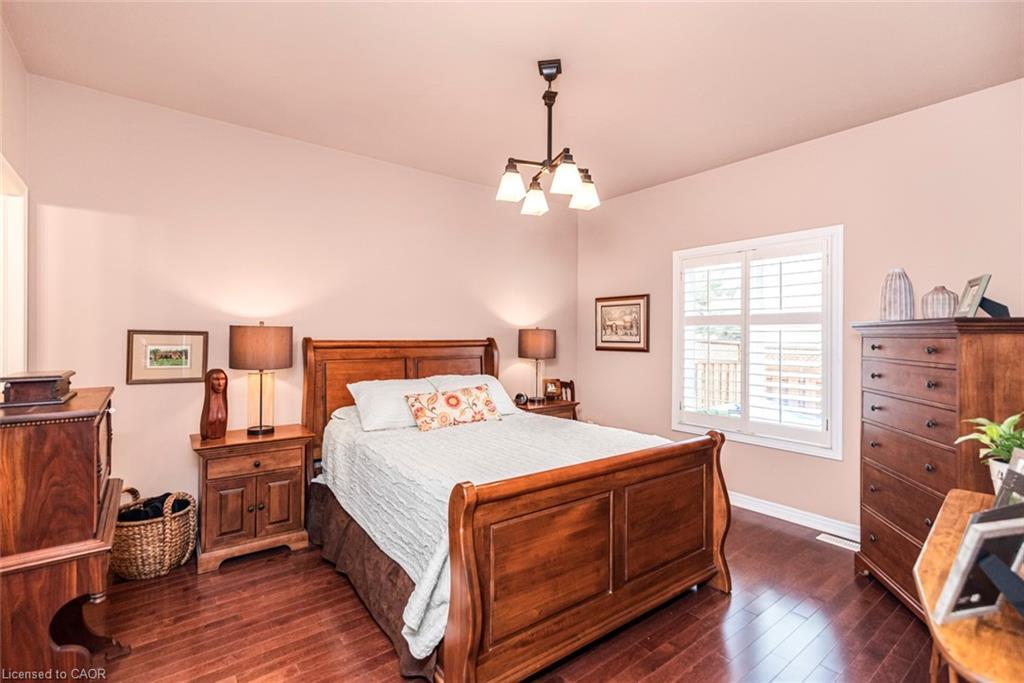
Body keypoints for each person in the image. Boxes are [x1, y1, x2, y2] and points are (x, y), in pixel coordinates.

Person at [200, 368, 228, 440]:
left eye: (223, 379)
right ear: (209, 381)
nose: (220, 384)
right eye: (216, 379)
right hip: (207, 441)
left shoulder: (223, 402)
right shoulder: (209, 404)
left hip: (222, 441)